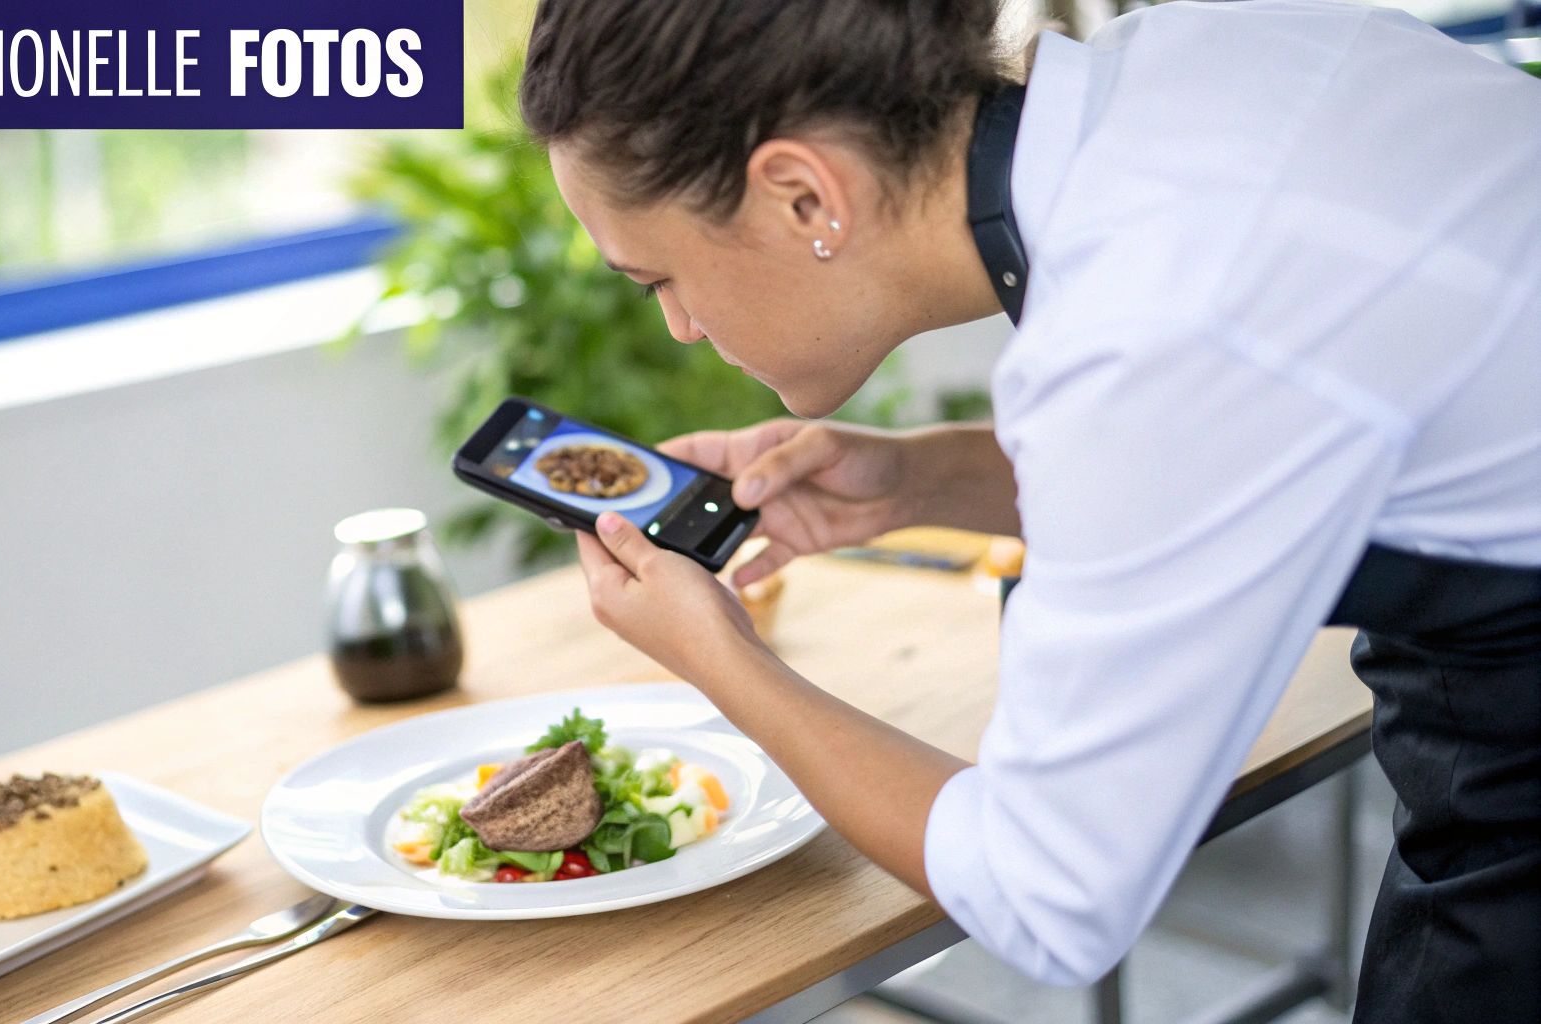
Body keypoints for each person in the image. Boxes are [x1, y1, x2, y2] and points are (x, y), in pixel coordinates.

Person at [516, 0, 1541, 1019]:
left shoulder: (1145, 329)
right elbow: (1246, 441)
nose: (682, 328)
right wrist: (924, 482)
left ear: (800, 195)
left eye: (658, 277)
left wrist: (721, 663)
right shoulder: (1206, 53)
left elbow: (1048, 896)